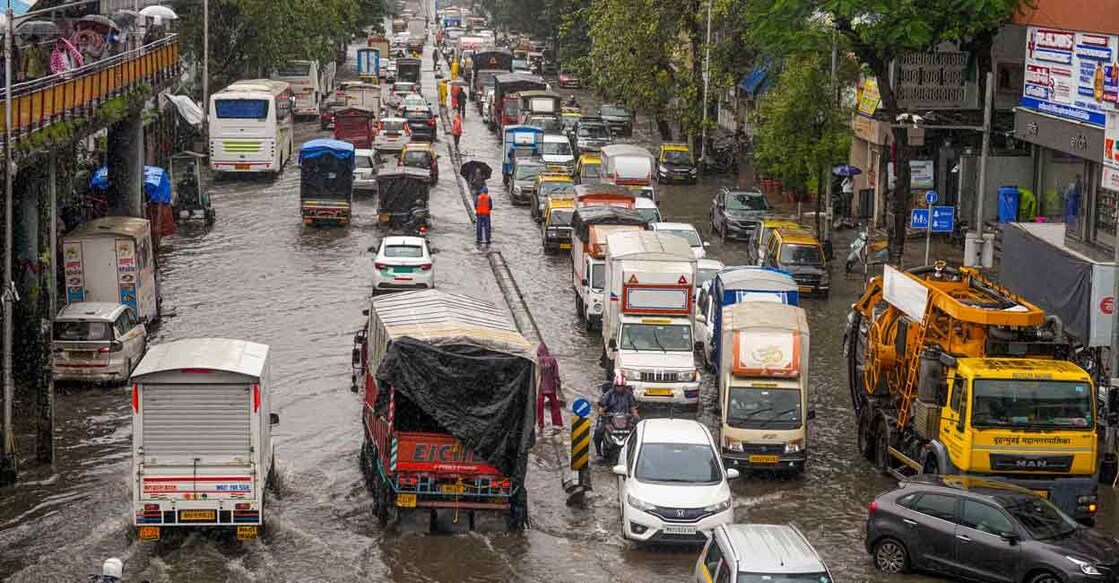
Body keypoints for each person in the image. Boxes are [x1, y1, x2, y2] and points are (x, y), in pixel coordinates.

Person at [594, 373, 638, 457]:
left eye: (621, 386)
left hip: (626, 420)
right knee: (599, 431)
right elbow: (602, 407)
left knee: (635, 432)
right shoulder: (609, 394)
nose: (619, 388)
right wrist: (603, 413)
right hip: (610, 420)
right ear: (614, 386)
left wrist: (635, 416)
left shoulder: (629, 394)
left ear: (624, 386)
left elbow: (633, 407)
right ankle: (598, 452)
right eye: (617, 386)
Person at [536, 344, 563, 432]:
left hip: (540, 388)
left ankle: (540, 424)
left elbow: (535, 375)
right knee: (555, 406)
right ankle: (557, 424)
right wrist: (558, 385)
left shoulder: (537, 361)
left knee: (539, 406)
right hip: (551, 387)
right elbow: (556, 374)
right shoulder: (552, 360)